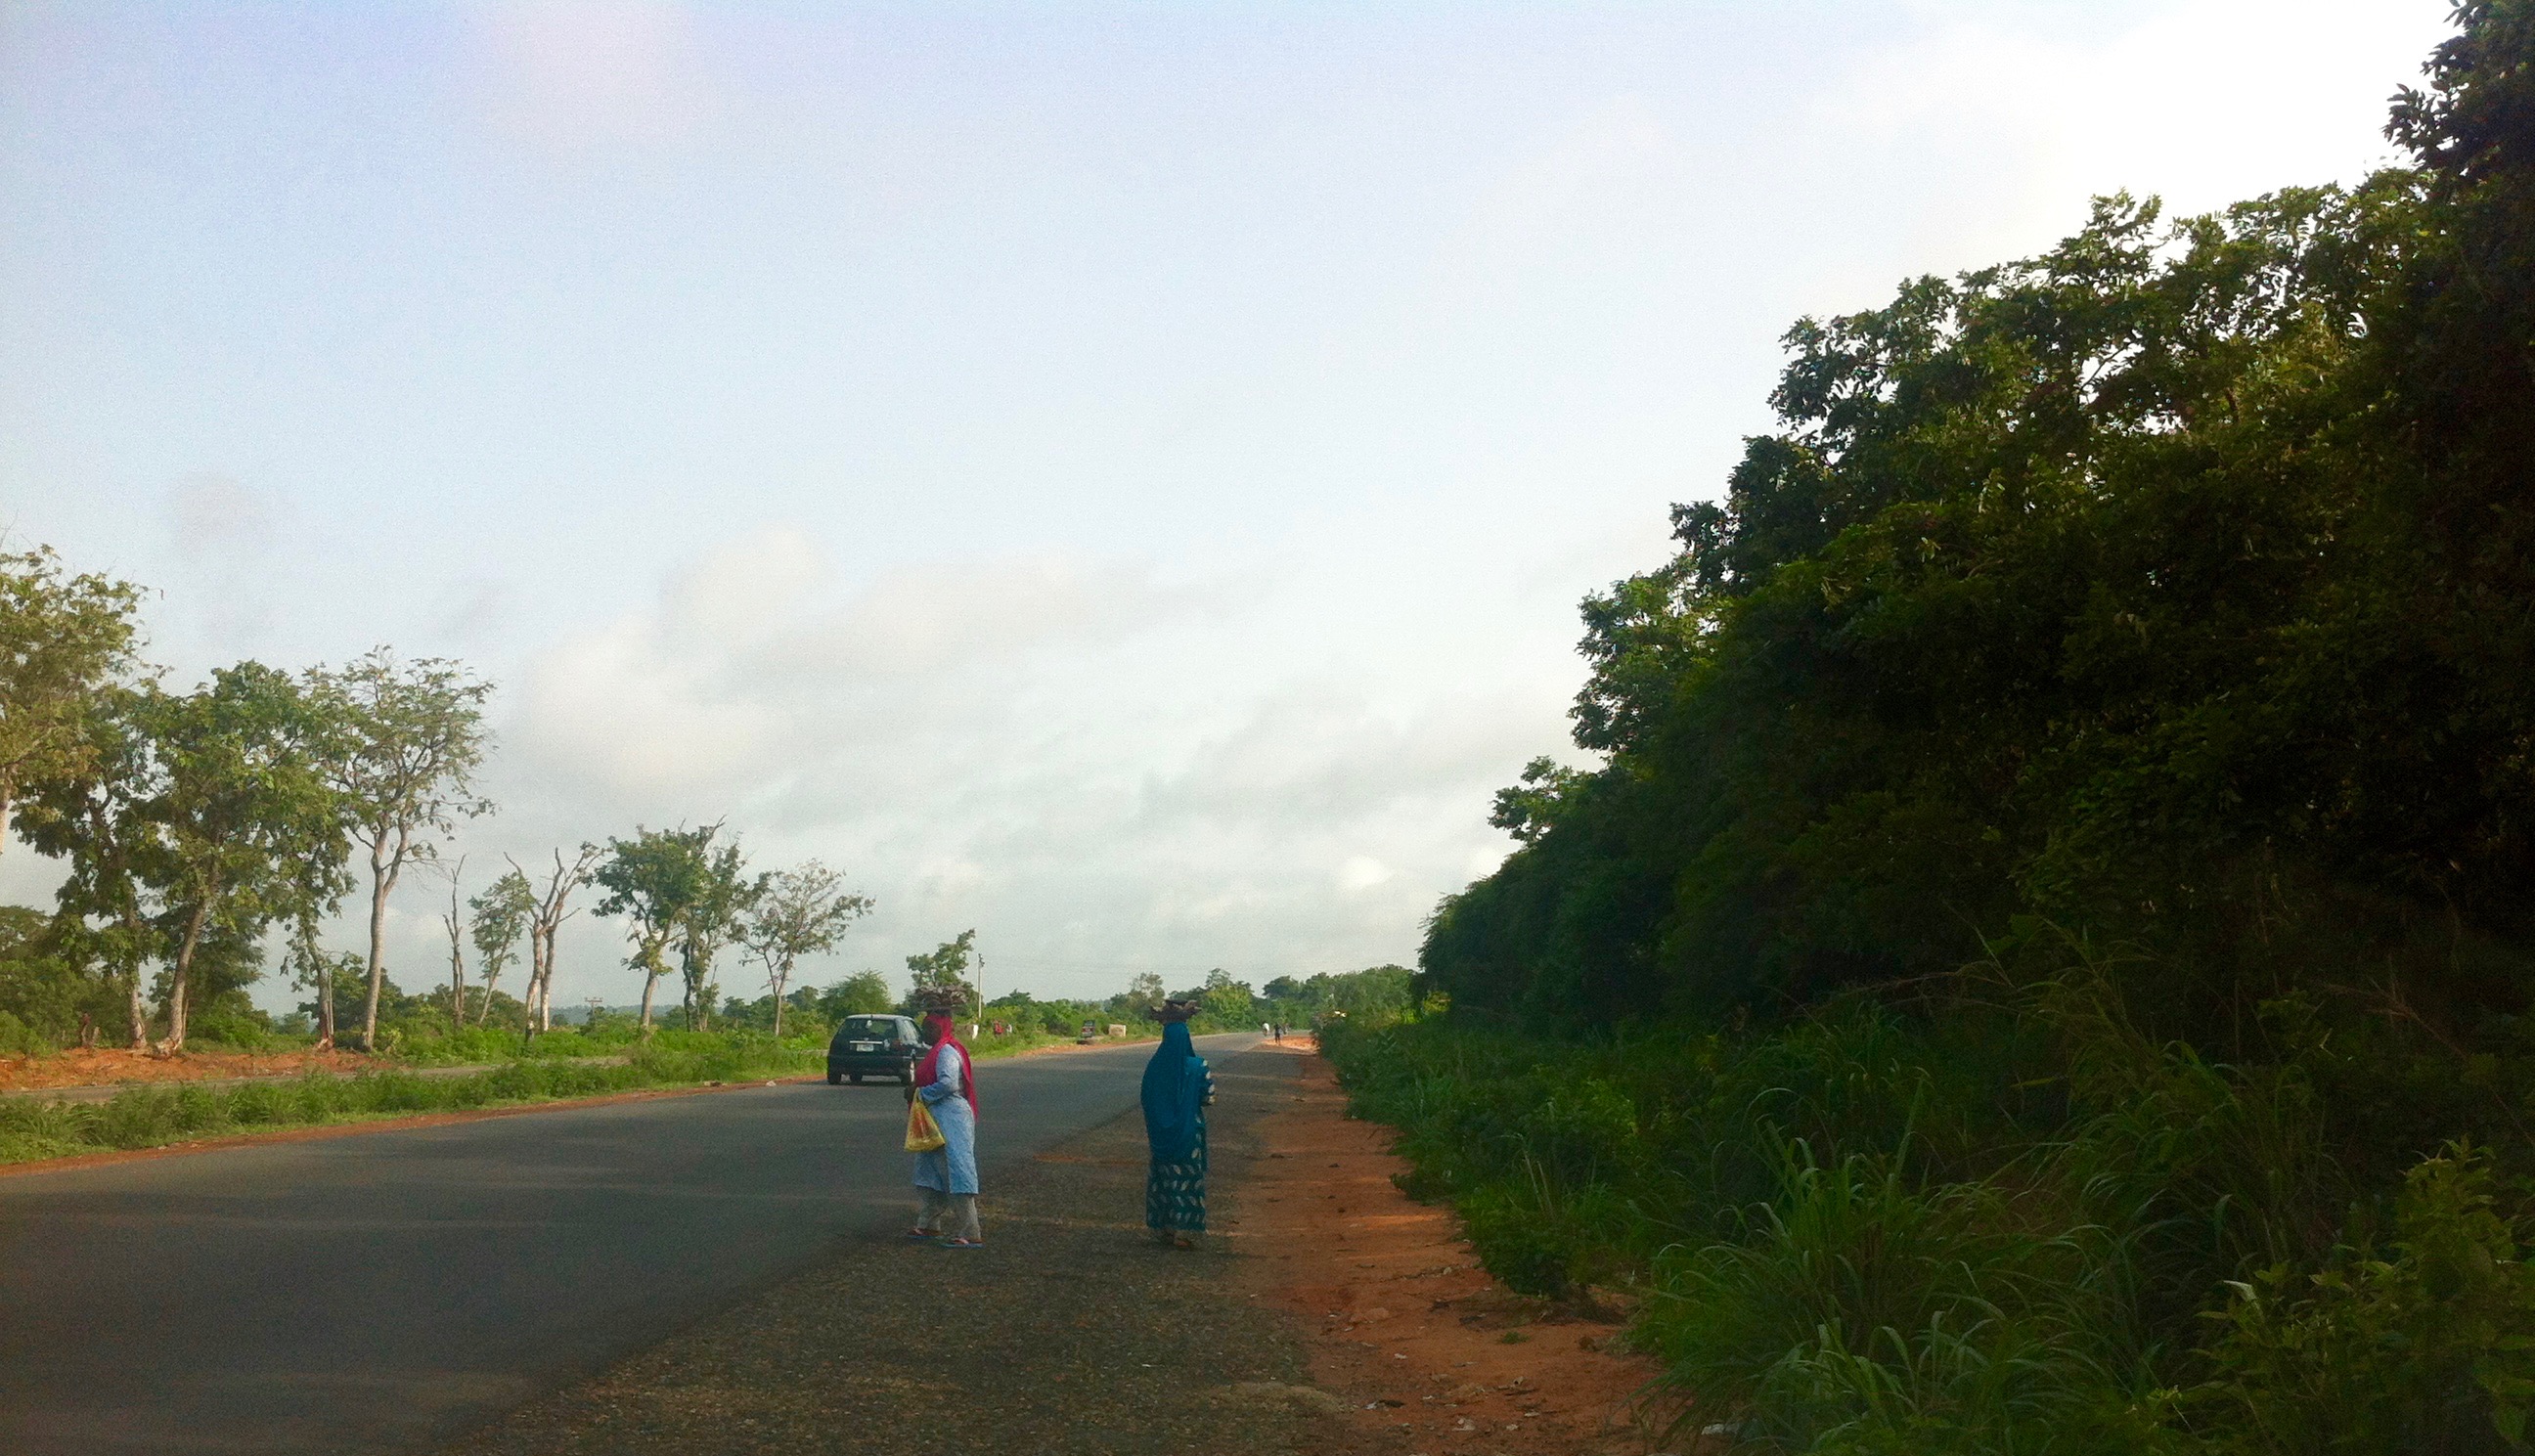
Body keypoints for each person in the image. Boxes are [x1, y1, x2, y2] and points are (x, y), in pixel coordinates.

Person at [908, 997, 983, 1248]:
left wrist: (920, 1093)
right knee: (929, 1169)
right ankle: (929, 1224)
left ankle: (970, 1231)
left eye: (929, 1027)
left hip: (952, 1117)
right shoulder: (936, 1051)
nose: (925, 1033)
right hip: (935, 1117)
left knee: (956, 1169)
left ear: (942, 1028)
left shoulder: (946, 1052)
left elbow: (949, 1084)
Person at [1141, 998, 1217, 1249]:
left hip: (1160, 1135)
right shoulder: (1198, 1066)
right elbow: (1209, 1099)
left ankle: (1165, 1229)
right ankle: (1186, 1232)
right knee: (1188, 1180)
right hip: (1189, 1133)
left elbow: (1147, 1098)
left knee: (1163, 1180)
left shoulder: (1154, 1067)